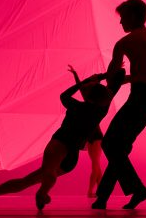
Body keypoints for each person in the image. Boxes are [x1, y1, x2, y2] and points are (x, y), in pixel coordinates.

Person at [0, 68, 125, 210]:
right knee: (33, 179)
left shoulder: (76, 106)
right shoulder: (101, 110)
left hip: (61, 143)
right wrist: (103, 78)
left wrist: (93, 79)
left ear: (88, 96)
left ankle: (40, 192)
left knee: (34, 179)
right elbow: (117, 80)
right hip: (71, 155)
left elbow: (64, 95)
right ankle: (33, 193)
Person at [91, 0, 146, 210]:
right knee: (119, 148)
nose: (120, 23)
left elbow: (113, 77)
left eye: (122, 17)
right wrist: (138, 76)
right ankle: (103, 198)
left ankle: (137, 189)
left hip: (139, 97)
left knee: (110, 144)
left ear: (132, 16)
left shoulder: (124, 43)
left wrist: (100, 80)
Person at [67, 65, 103, 198]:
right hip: (92, 135)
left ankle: (94, 191)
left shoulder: (94, 101)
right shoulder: (93, 101)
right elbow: (81, 86)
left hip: (94, 135)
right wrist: (75, 74)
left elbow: (81, 86)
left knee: (96, 164)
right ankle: (97, 191)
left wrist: (76, 74)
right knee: (96, 164)